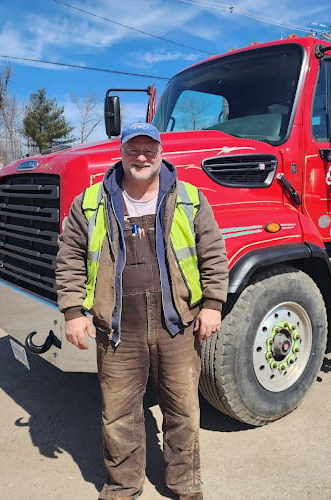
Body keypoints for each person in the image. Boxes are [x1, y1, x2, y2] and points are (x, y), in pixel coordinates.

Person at [55, 122, 229, 500]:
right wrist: (73, 311)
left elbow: (213, 253)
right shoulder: (90, 202)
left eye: (149, 149)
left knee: (182, 411)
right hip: (118, 329)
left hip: (177, 325)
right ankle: (122, 486)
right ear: (121, 153)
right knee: (118, 415)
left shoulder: (189, 198)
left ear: (161, 152)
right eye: (133, 149)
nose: (141, 157)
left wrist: (213, 304)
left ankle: (185, 485)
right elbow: (68, 260)